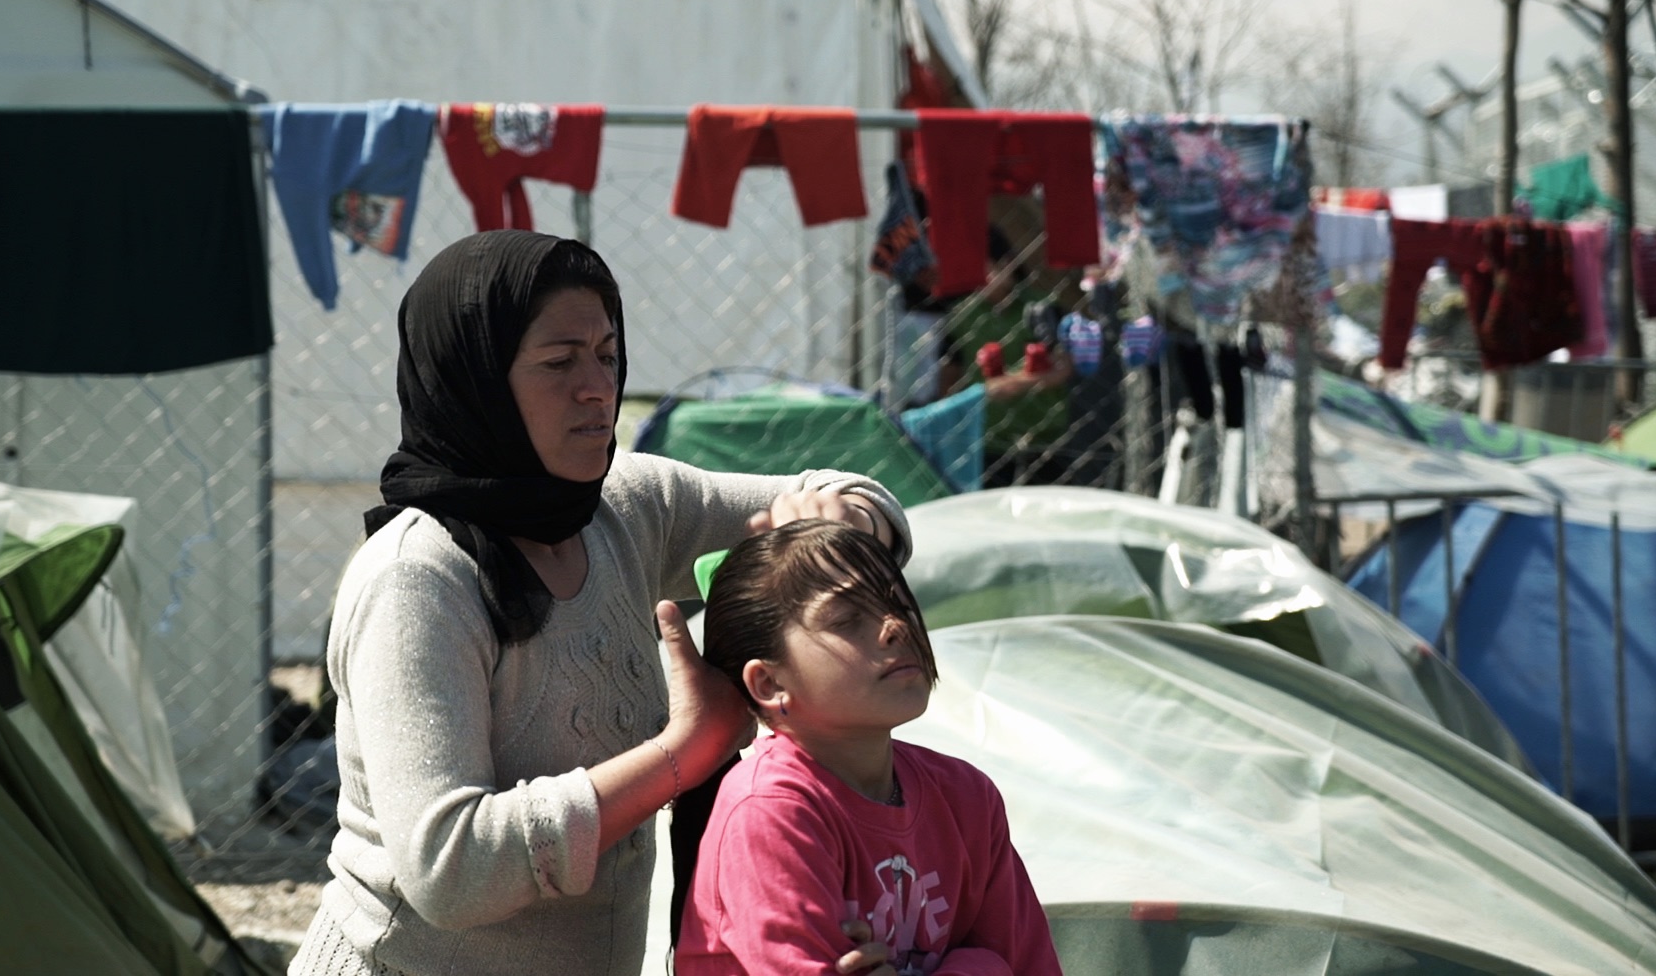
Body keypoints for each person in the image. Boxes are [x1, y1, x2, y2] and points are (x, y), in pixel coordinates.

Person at [288, 230, 911, 976]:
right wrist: (681, 755)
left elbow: (854, 501)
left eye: (608, 355)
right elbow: (449, 869)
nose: (598, 387)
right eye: (559, 362)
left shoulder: (625, 508)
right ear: (476, 382)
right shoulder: (419, 580)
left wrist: (844, 520)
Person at [675, 520, 1062, 976]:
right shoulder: (771, 810)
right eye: (847, 619)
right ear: (769, 682)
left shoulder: (967, 796)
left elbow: (1026, 963)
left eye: (898, 603)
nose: (896, 626)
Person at [934, 227, 1075, 488]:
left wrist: (1013, 384)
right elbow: (948, 376)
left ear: (1008, 263)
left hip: (1043, 436)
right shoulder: (962, 315)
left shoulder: (1040, 307)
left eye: (987, 268)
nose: (981, 279)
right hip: (985, 439)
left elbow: (1063, 367)